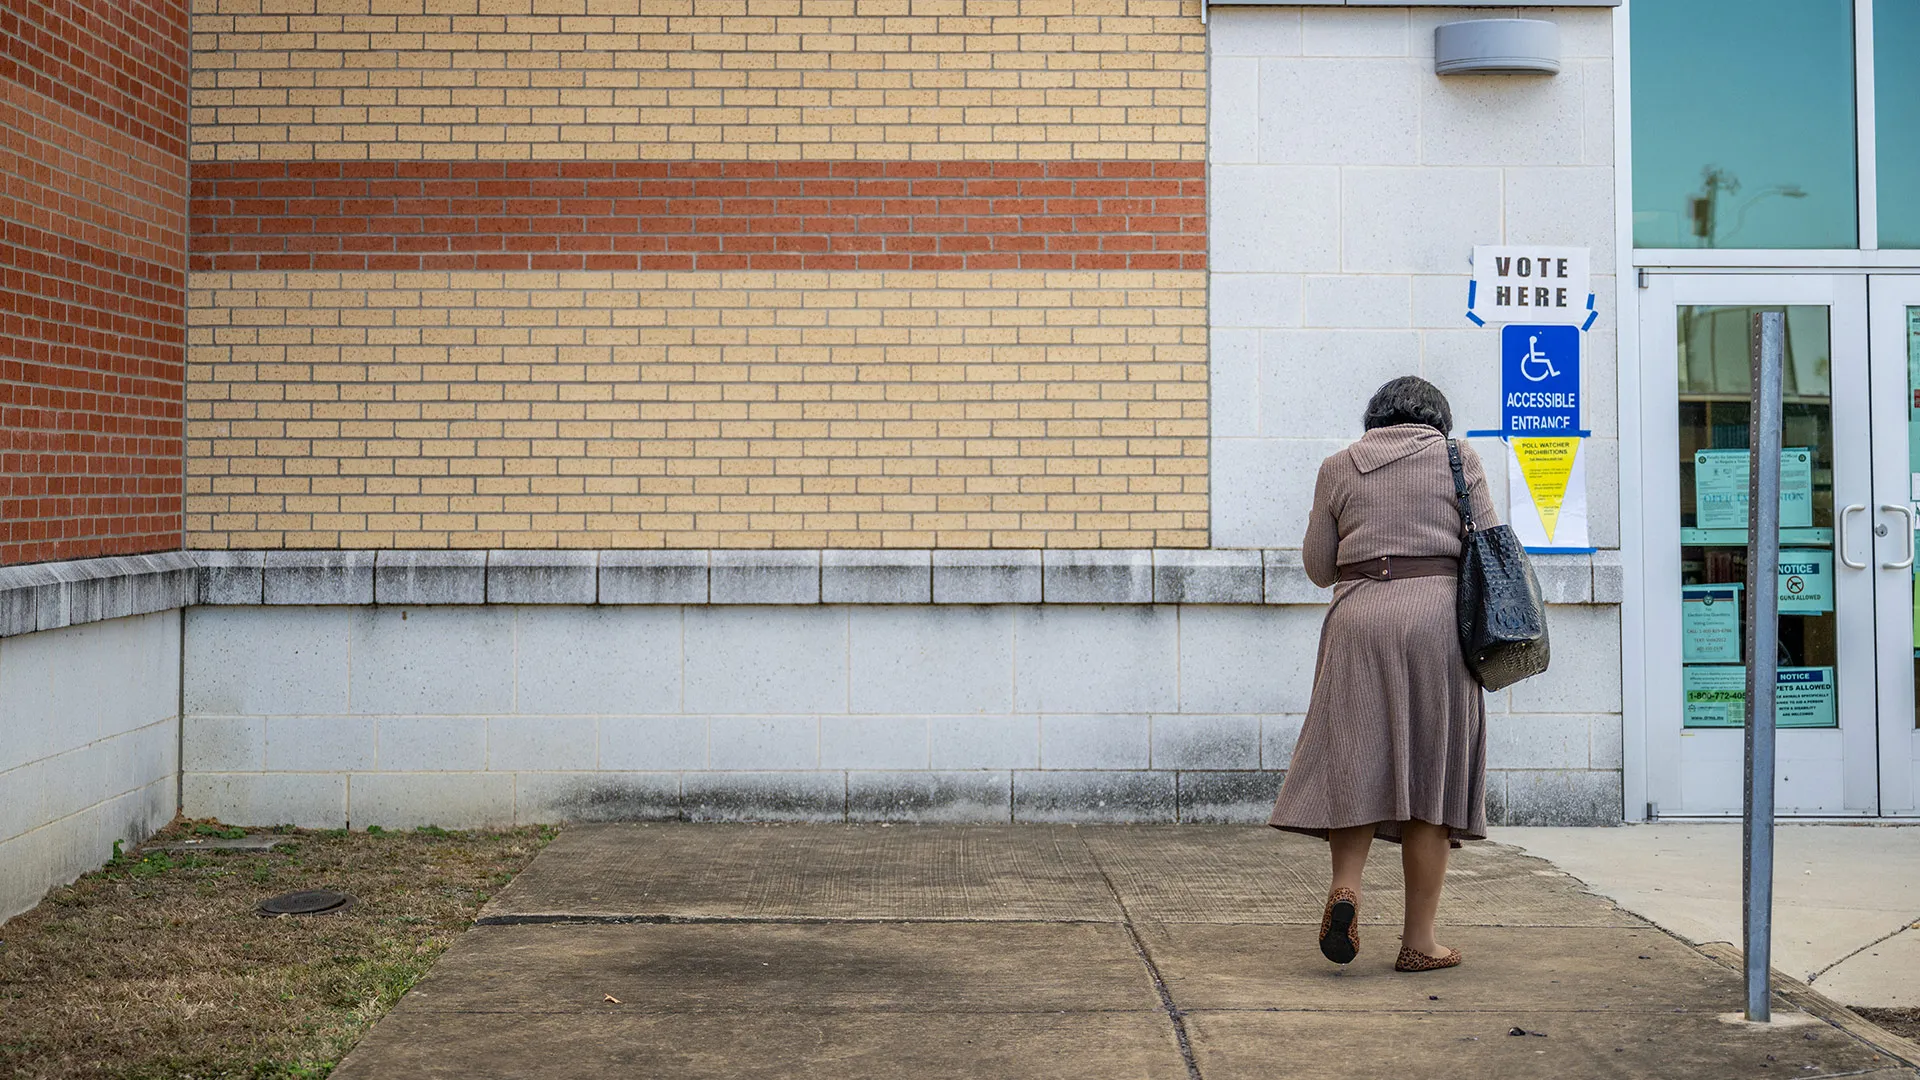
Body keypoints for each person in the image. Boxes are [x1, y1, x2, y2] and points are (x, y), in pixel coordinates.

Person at [1267, 376, 1495, 974]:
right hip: (1437, 625)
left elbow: (1319, 568)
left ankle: (1347, 888)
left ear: (1374, 420)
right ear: (1438, 421)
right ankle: (1419, 941)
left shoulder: (1338, 465)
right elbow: (1492, 545)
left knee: (1355, 759)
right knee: (1431, 776)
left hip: (1358, 621)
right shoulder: (1458, 458)